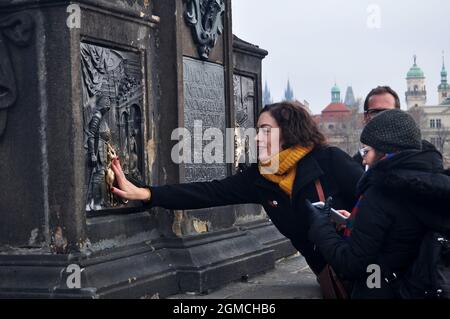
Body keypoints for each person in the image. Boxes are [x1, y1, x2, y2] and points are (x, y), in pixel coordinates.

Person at [110, 101, 364, 276]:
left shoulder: (329, 160)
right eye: (257, 130)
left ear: (289, 133)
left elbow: (373, 199)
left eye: (265, 130)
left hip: (365, 264)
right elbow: (209, 192)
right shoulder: (262, 177)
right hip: (329, 272)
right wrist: (147, 194)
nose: (256, 137)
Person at [306, 109, 450, 298]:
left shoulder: (381, 191)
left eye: (367, 150)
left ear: (384, 153)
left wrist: (320, 226)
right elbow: (402, 231)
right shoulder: (434, 183)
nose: (363, 158)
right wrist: (358, 221)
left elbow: (351, 265)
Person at [353, 86, 401, 166]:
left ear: (399, 115)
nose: (382, 116)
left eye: (387, 112)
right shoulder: (353, 166)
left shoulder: (415, 158)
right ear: (365, 117)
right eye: (375, 112)